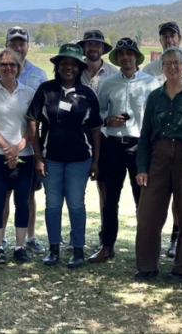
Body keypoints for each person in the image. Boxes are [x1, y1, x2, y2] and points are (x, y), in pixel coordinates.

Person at [133, 48, 182, 282]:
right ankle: (147, 266)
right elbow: (145, 134)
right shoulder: (155, 96)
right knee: (148, 213)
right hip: (158, 157)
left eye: (177, 63)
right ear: (162, 67)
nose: (173, 67)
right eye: (168, 63)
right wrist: (142, 167)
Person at [26, 44, 103, 269]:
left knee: (76, 204)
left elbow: (96, 129)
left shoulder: (87, 94)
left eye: (73, 64)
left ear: (80, 68)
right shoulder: (46, 90)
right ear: (57, 67)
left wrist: (96, 161)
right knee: (52, 204)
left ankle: (77, 249)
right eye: (64, 63)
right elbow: (33, 122)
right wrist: (38, 156)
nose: (68, 67)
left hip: (80, 159)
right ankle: (53, 249)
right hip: (51, 158)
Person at [90, 37, 159, 263]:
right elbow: (98, 113)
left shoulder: (151, 83)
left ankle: (145, 248)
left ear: (136, 57)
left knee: (143, 201)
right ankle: (107, 245)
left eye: (130, 53)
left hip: (140, 146)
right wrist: (108, 119)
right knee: (110, 200)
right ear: (117, 58)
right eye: (121, 54)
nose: (126, 57)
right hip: (113, 145)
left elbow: (156, 116)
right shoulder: (108, 83)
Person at [0, 26, 49, 253]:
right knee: (2, 194)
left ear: (27, 45)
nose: (17, 47)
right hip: (1, 148)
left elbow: (38, 116)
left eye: (21, 43)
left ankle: (29, 238)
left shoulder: (39, 75)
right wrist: (7, 148)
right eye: (13, 43)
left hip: (27, 147)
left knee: (28, 195)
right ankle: (2, 239)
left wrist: (23, 145)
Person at [139, 20, 182, 256]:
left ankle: (181, 255)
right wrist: (143, 165)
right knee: (152, 208)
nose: (169, 39)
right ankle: (147, 262)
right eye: (165, 36)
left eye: (172, 35)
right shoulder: (150, 77)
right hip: (158, 149)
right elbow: (146, 129)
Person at [0, 49, 36, 264]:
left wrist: (20, 146)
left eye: (12, 64)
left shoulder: (28, 93)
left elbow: (32, 126)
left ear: (18, 68)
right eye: (3, 64)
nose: (8, 68)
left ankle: (20, 247)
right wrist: (8, 149)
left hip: (26, 156)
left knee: (22, 202)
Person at [77, 29, 117, 251]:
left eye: (97, 45)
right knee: (76, 189)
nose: (93, 48)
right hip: (78, 138)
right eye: (89, 44)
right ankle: (76, 236)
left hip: (105, 138)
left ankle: (104, 236)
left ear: (103, 48)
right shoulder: (75, 70)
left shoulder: (113, 73)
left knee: (104, 189)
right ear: (84, 48)